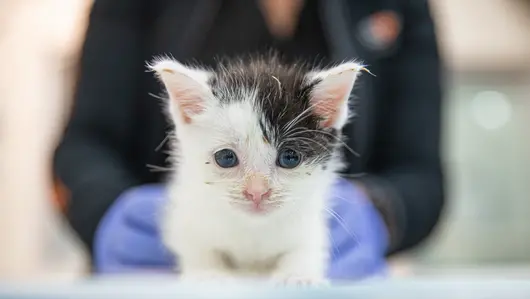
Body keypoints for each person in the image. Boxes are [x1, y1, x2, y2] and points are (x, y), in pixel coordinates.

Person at [54, 0, 444, 277]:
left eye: (288, 158)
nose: (256, 190)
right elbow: (83, 145)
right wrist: (106, 215)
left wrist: (381, 212)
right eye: (227, 158)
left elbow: (423, 175)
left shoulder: (400, 6)